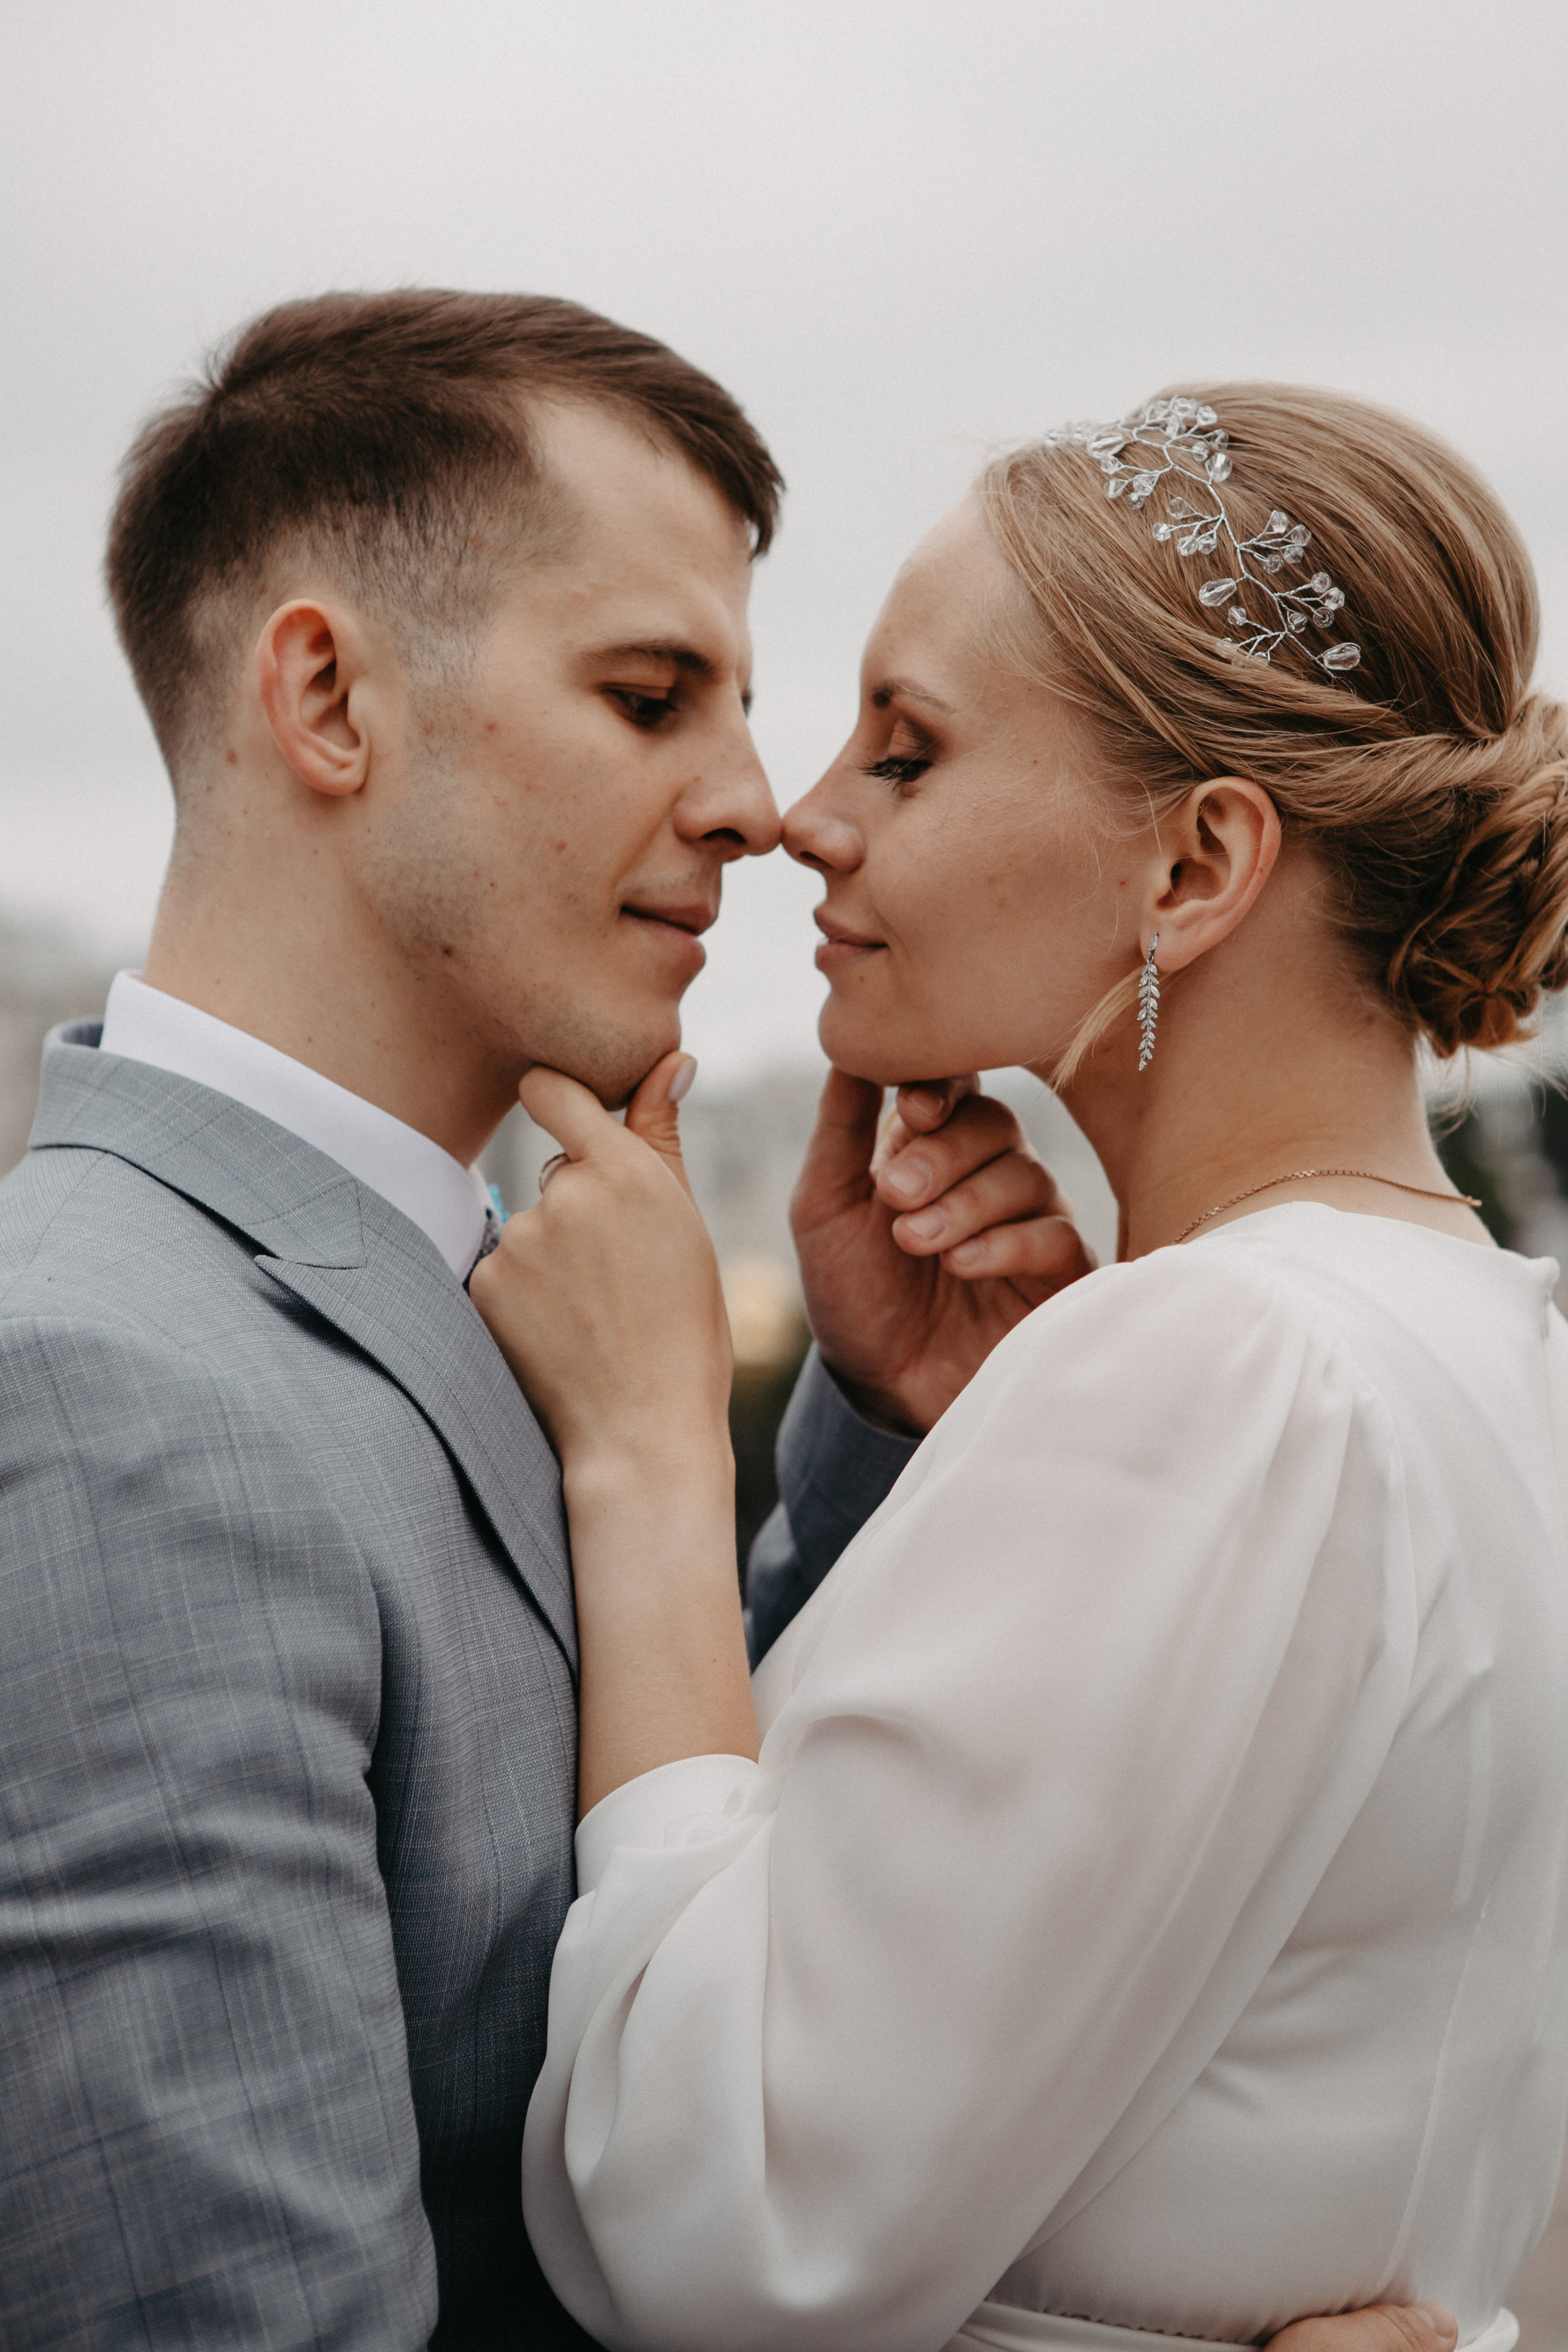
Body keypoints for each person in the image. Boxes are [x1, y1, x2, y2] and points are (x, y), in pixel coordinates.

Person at [0, 290, 1075, 2348]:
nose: (763, 802)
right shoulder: (98, 1400)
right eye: (654, 694)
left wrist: (865, 1407)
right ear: (326, 696)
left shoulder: (478, 1278)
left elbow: (634, 1899)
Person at [472, 386, 1568, 2352]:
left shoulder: (1226, 1367)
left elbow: (712, 2229)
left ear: (1193, 868)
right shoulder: (1496, 1349)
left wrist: (647, 1458)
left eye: (909, 748)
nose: (807, 816)